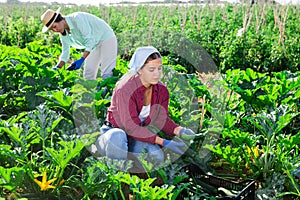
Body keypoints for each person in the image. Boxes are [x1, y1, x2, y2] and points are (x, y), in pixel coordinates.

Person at [94, 46, 196, 169]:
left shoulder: (161, 90)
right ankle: (114, 174)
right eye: (151, 69)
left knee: (156, 157)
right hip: (113, 134)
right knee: (118, 137)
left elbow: (161, 120)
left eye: (159, 69)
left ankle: (131, 164)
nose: (157, 74)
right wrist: (164, 142)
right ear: (140, 70)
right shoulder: (125, 89)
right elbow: (131, 127)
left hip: (137, 137)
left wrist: (180, 131)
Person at [40, 7, 117, 80]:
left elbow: (90, 40)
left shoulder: (77, 19)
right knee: (88, 73)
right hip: (93, 44)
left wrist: (82, 59)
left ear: (60, 19)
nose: (55, 30)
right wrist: (57, 67)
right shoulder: (63, 34)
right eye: (52, 29)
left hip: (106, 37)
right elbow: (65, 53)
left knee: (107, 72)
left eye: (54, 26)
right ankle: (90, 93)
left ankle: (110, 92)